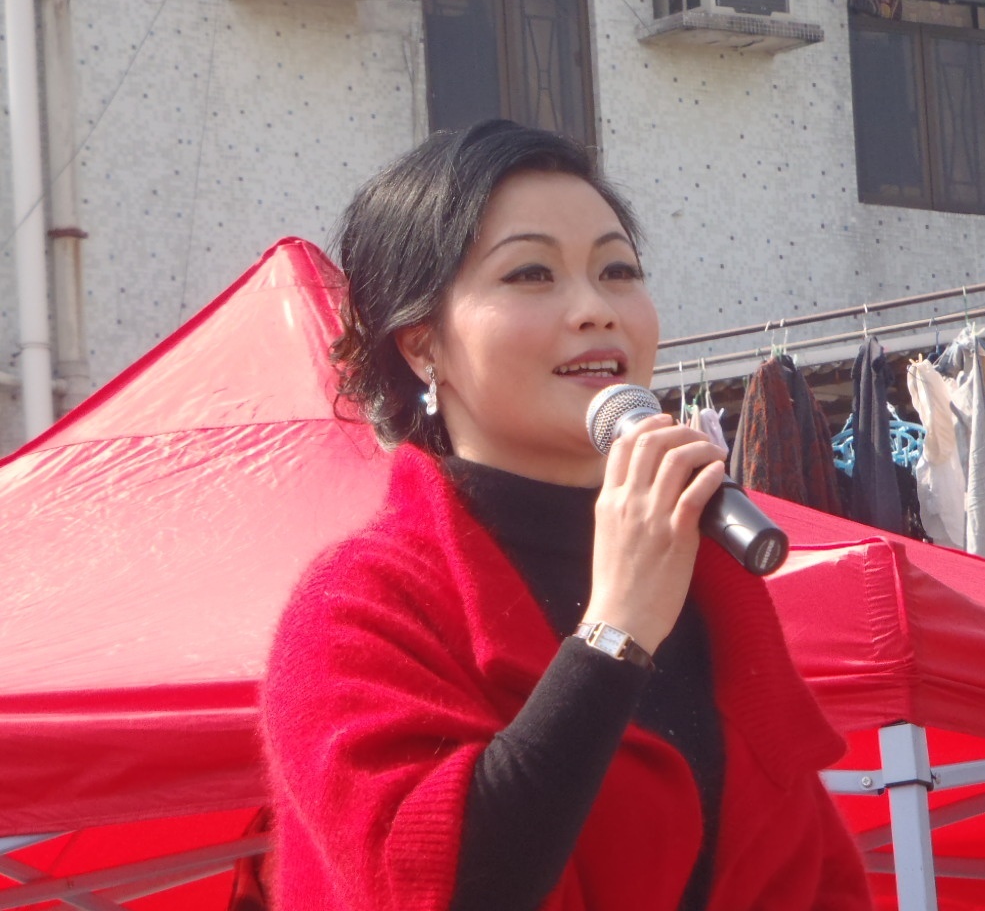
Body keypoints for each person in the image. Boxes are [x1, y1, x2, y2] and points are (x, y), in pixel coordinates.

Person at [260, 119, 874, 911]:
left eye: (618, 270)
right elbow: (440, 886)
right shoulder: (356, 608)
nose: (595, 309)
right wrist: (616, 631)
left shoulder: (711, 584)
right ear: (421, 346)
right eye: (531, 274)